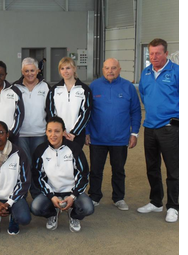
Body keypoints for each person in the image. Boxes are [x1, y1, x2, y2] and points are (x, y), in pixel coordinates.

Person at [85, 58, 141, 210]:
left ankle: (119, 198)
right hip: (97, 138)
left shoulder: (128, 87)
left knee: (118, 170)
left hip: (120, 138)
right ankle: (95, 196)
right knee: (96, 170)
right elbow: (87, 112)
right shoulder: (94, 86)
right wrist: (87, 131)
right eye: (107, 68)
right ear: (103, 69)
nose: (110, 71)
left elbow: (135, 111)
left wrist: (134, 133)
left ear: (120, 69)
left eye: (113, 68)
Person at [137, 38, 179, 223]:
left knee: (173, 169)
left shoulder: (177, 72)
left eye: (158, 53)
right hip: (150, 127)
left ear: (166, 53)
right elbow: (144, 96)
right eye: (151, 53)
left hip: (170, 128)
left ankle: (173, 206)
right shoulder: (145, 73)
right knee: (152, 167)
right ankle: (156, 202)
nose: (154, 57)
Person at [31, 116, 94, 232]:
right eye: (49, 131)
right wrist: (51, 196)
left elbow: (83, 175)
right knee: (36, 207)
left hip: (72, 192)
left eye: (57, 131)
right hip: (52, 192)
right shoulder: (40, 150)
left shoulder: (74, 148)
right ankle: (52, 213)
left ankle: (74, 215)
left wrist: (73, 196)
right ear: (45, 132)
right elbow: (38, 177)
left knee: (88, 208)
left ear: (63, 132)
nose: (53, 135)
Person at [13, 57, 50, 199]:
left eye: (32, 70)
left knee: (38, 166)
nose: (29, 73)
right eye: (26, 71)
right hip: (21, 134)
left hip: (40, 133)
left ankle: (37, 195)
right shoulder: (15, 87)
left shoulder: (45, 87)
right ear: (22, 71)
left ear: (38, 70)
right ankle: (21, 196)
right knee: (24, 166)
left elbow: (50, 109)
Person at [46, 57, 92, 148]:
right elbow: (50, 112)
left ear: (74, 69)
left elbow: (86, 113)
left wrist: (73, 133)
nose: (65, 71)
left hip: (76, 136)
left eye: (68, 68)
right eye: (62, 69)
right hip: (58, 135)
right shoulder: (54, 90)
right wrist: (60, 131)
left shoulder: (84, 89)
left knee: (74, 160)